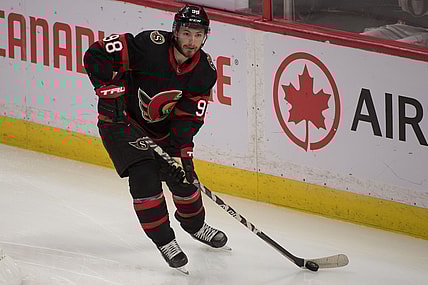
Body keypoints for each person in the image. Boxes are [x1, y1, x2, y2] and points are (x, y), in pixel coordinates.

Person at [83, 4, 228, 274]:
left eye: (198, 35)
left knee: (184, 176)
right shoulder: (149, 46)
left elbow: (188, 117)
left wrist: (181, 149)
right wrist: (106, 88)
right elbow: (96, 54)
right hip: (120, 122)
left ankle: (195, 225)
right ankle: (166, 241)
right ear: (175, 31)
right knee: (144, 175)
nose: (191, 42)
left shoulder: (204, 71)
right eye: (186, 33)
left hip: (161, 130)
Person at [361, 0, 428, 47]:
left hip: (425, 31)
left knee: (399, 47)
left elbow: (418, 10)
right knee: (364, 38)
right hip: (404, 25)